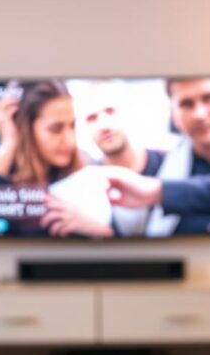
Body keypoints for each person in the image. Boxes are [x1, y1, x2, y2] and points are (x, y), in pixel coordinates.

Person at [0, 80, 112, 238]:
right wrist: (9, 142)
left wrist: (98, 230)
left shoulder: (87, 170)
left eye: (72, 126)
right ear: (24, 127)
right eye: (55, 129)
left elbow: (117, 236)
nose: (70, 140)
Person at [107, 76, 210, 236]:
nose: (200, 114)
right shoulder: (160, 168)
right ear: (173, 114)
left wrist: (160, 192)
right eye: (186, 104)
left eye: (209, 98)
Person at [40, 80, 165, 238]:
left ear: (128, 112)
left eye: (110, 111)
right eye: (91, 118)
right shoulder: (83, 186)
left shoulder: (171, 164)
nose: (103, 125)